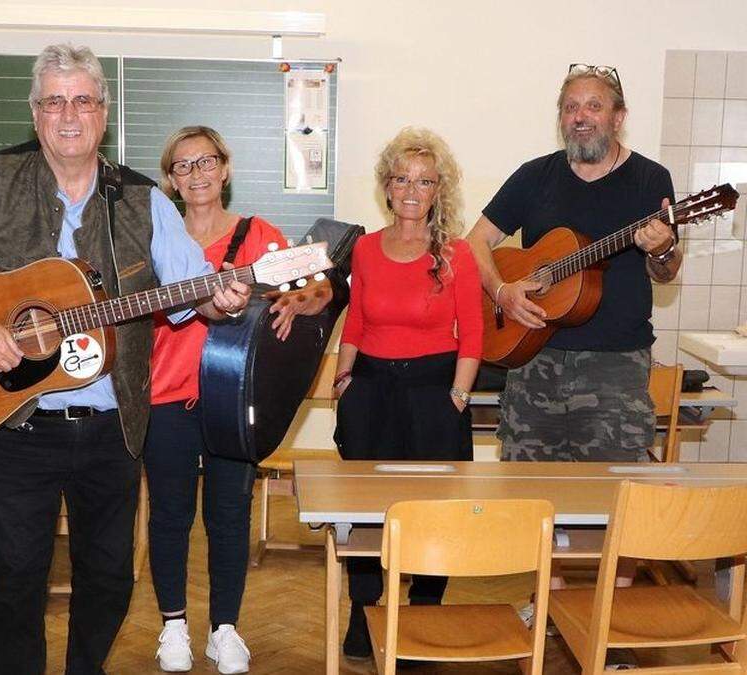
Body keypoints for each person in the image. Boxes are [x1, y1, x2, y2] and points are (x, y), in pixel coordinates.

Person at [0, 44, 250, 675]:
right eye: (54, 101)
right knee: (16, 580)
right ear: (35, 112)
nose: (68, 115)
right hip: (18, 423)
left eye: (82, 100)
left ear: (103, 112)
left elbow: (197, 299)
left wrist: (228, 299)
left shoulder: (142, 199)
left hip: (113, 428)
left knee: (109, 579)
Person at [465, 66, 681, 660]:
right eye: (571, 107)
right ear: (561, 116)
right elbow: (475, 243)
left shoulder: (649, 180)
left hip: (615, 366)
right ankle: (550, 603)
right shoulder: (534, 177)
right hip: (532, 360)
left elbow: (666, 271)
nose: (581, 116)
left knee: (618, 497)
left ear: (618, 115)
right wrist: (504, 292)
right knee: (535, 493)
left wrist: (662, 249)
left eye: (594, 105)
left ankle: (610, 613)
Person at [146, 125, 331, 674]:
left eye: (206, 162)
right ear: (171, 180)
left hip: (232, 401)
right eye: (184, 166)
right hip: (164, 396)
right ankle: (173, 626)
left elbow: (318, 285)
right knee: (170, 517)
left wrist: (301, 305)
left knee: (229, 515)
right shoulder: (155, 238)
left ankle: (225, 628)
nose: (197, 174)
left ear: (225, 170)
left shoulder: (257, 234)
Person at [333, 127, 482, 660]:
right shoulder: (366, 250)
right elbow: (356, 319)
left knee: (430, 512)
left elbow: (474, 334)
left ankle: (423, 616)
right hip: (370, 390)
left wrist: (458, 398)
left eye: (425, 180)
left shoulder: (457, 254)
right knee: (369, 512)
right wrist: (343, 383)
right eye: (402, 179)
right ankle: (364, 613)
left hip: (434, 393)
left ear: (439, 189)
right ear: (387, 187)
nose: (413, 190)